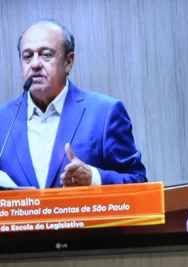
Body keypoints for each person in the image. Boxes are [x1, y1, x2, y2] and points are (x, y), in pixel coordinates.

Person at [0, 19, 147, 189]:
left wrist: (93, 178)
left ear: (68, 62)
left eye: (46, 54)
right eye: (27, 56)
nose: (35, 64)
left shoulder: (105, 113)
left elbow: (138, 181)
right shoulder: (3, 119)